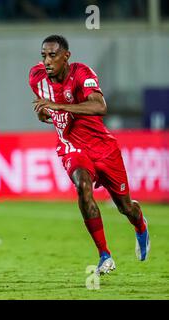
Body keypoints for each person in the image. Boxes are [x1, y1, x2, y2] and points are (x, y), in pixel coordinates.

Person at [29, 35, 150, 275]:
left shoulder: (82, 73)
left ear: (66, 57)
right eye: (44, 55)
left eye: (53, 55)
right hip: (71, 147)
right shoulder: (36, 77)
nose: (47, 61)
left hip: (104, 149)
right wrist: (46, 114)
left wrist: (59, 107)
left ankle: (140, 224)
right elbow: (46, 110)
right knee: (82, 186)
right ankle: (105, 255)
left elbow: (100, 106)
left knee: (125, 207)